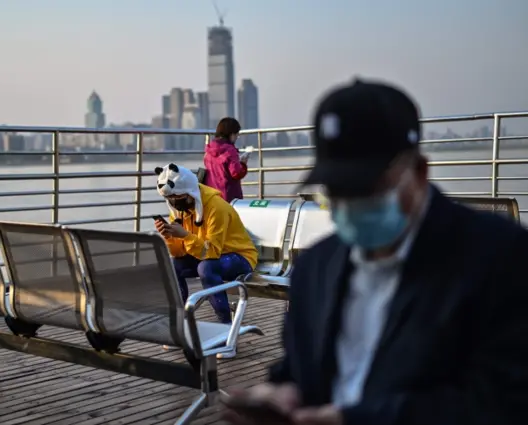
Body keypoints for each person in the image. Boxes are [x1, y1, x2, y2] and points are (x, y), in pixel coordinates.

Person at [223, 79, 528, 424]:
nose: (350, 204)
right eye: (336, 189)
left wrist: (358, 419)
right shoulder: (315, 266)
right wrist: (283, 392)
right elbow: (299, 366)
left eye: (365, 187)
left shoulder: (500, 258)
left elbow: (506, 401)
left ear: (419, 171)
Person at [154, 162, 258, 327]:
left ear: (189, 192)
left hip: (239, 257)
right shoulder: (180, 209)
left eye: (178, 198)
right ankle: (179, 322)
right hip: (206, 255)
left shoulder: (216, 207)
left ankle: (225, 325)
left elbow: (212, 252)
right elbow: (179, 253)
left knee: (206, 268)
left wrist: (186, 235)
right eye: (170, 199)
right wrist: (169, 236)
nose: (174, 202)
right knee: (174, 266)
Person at [204, 117, 249, 202]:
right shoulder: (230, 150)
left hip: (212, 196)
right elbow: (236, 173)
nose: (237, 137)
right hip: (229, 197)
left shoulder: (209, 149)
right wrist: (243, 164)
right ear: (231, 134)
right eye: (237, 134)